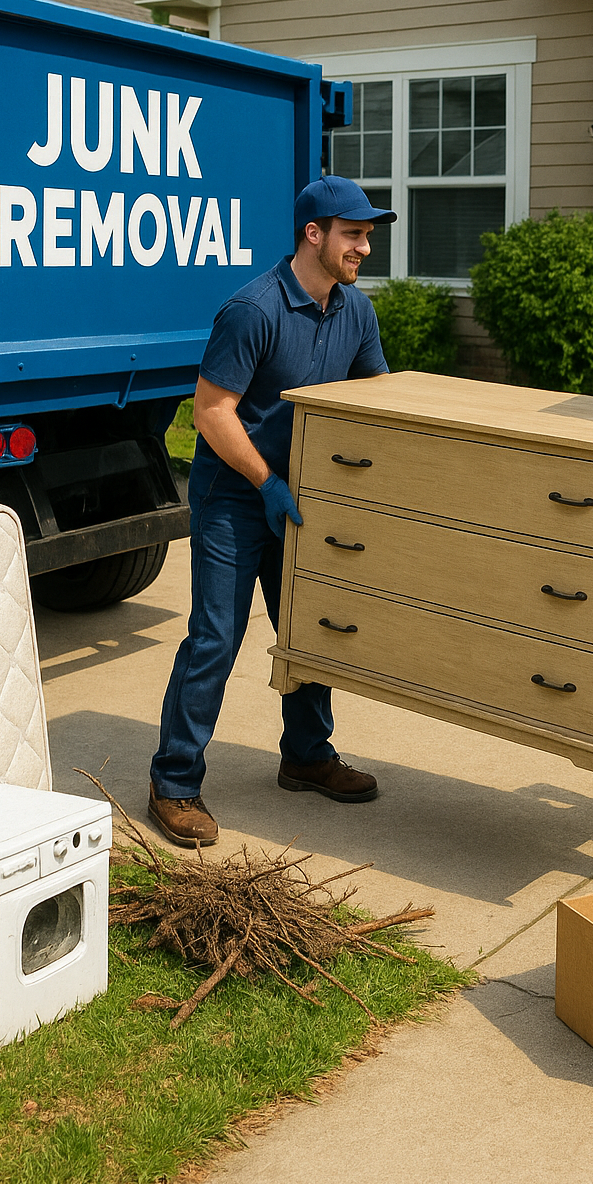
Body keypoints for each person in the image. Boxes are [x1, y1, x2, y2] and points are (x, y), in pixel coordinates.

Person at [148, 175, 394, 847]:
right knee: (216, 638)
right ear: (313, 233)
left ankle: (307, 755)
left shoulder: (354, 311)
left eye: (368, 236)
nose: (364, 248)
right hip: (235, 496)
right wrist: (266, 482)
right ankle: (173, 782)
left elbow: (373, 395)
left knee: (310, 629)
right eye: (354, 234)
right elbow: (211, 413)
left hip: (302, 497)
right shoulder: (253, 310)